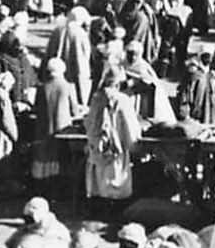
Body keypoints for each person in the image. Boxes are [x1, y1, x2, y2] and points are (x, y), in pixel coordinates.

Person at [84, 66, 141, 213]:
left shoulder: (96, 98)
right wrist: (133, 144)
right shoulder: (122, 100)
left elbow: (89, 123)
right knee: (115, 180)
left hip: (98, 147)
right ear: (117, 84)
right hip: (115, 149)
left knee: (100, 179)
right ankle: (115, 210)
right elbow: (130, 126)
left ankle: (101, 208)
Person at [31, 58, 80, 198]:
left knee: (43, 160)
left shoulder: (42, 88)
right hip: (62, 129)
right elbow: (75, 110)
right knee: (60, 159)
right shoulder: (68, 87)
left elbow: (36, 109)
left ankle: (43, 191)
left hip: (43, 129)